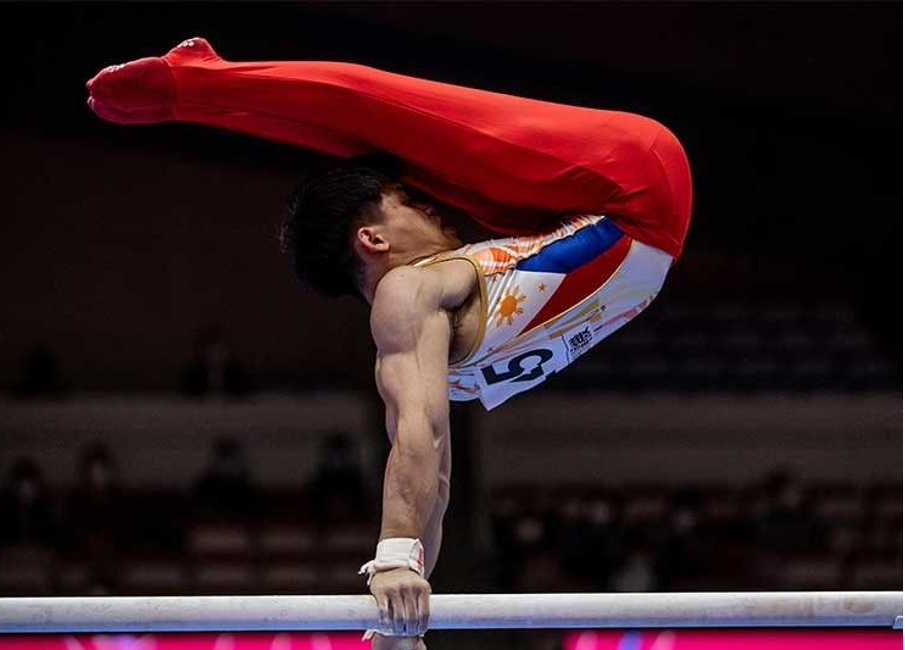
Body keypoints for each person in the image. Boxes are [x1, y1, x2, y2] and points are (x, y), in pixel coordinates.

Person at [86, 37, 693, 647]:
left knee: (381, 117)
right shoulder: (409, 298)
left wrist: (397, 561)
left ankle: (201, 84)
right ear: (373, 240)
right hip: (633, 193)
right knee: (389, 133)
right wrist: (402, 607)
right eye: (408, 205)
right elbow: (430, 461)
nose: (431, 210)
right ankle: (203, 89)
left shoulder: (415, 301)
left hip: (631, 193)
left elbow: (422, 441)